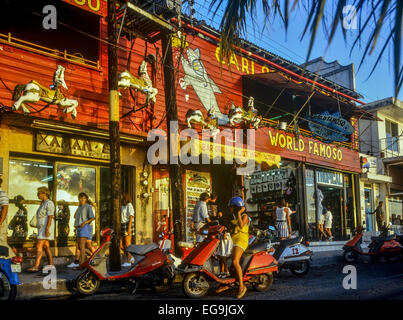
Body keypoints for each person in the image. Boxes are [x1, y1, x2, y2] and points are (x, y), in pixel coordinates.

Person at [216, 197, 249, 299]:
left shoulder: (244, 216)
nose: (229, 208)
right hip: (233, 240)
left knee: (235, 261)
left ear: (236, 207)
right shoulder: (233, 216)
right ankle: (225, 283)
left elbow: (241, 225)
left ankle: (242, 287)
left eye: (231, 207)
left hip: (241, 240)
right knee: (222, 257)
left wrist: (239, 213)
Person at [27, 187, 55, 272]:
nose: (37, 195)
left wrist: (47, 229)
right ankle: (51, 265)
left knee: (39, 245)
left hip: (45, 226)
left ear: (44, 193)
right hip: (42, 226)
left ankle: (36, 266)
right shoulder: (43, 203)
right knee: (46, 246)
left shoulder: (49, 203)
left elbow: (50, 216)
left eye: (39, 193)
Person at [74, 192, 95, 267]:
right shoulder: (80, 207)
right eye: (80, 198)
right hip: (79, 228)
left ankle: (81, 264)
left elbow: (92, 217)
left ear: (86, 199)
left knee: (82, 246)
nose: (82, 199)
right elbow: (75, 216)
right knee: (79, 247)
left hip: (85, 227)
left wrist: (85, 222)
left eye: (84, 198)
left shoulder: (88, 206)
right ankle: (86, 261)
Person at [0, 178, 15, 258]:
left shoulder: (2, 194)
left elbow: (5, 208)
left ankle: (14, 259)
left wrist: (0, 222)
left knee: (1, 242)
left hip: (0, 221)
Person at [121, 193, 135, 267]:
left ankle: (129, 260)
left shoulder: (129, 205)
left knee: (127, 243)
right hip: (122, 224)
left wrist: (129, 228)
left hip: (127, 224)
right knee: (121, 244)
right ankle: (131, 256)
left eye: (122, 195)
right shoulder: (122, 206)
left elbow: (131, 216)